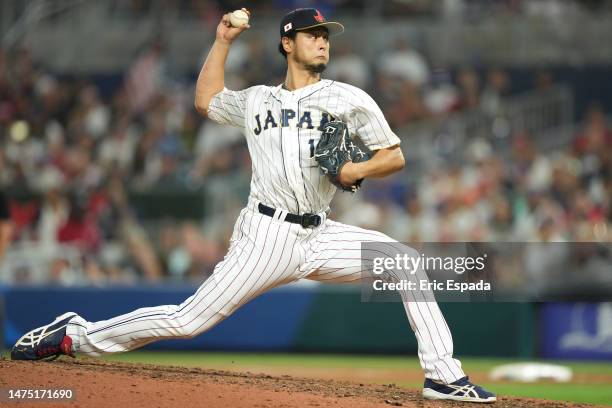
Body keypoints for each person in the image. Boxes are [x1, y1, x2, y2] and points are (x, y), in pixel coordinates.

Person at [11, 8, 495, 403]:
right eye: (311, 35)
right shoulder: (258, 100)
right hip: (266, 236)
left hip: (320, 234)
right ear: (287, 43)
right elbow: (206, 101)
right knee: (187, 321)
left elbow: (394, 155)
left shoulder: (349, 97)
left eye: (325, 36)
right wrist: (222, 40)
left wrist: (354, 171)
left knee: (406, 263)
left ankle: (443, 376)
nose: (322, 42)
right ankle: (77, 334)